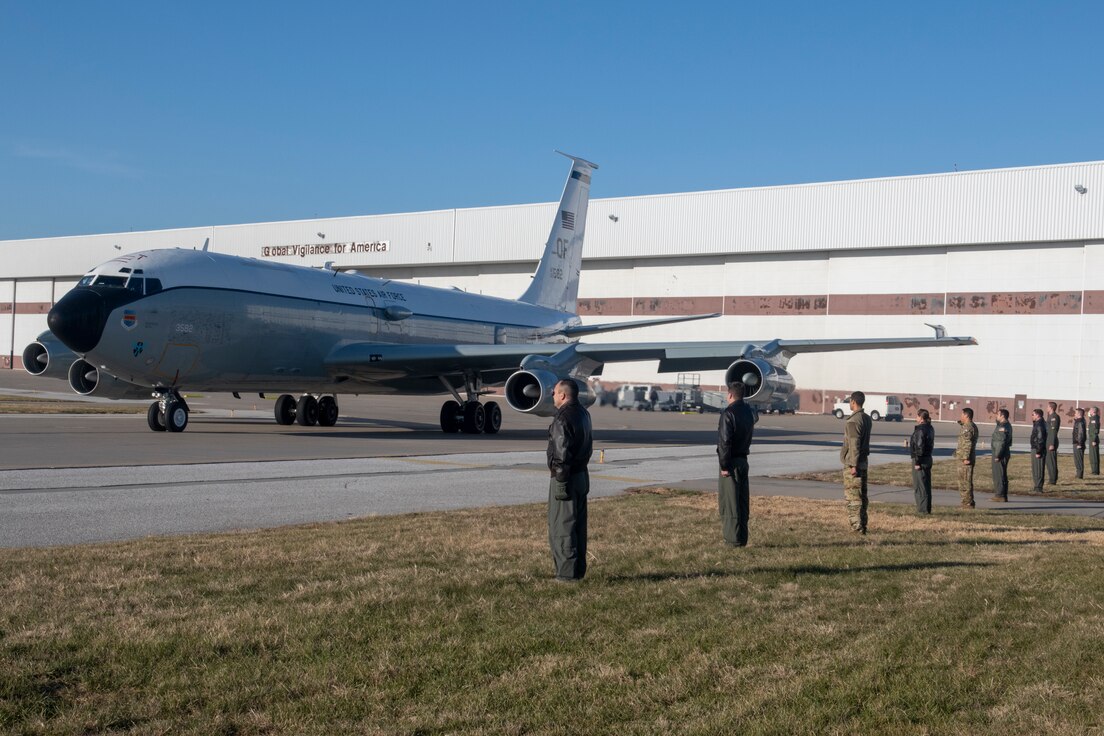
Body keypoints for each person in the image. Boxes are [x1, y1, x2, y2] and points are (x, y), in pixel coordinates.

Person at [546, 378, 593, 582]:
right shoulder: (584, 413)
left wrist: (561, 482)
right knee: (578, 527)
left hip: (566, 477)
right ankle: (578, 570)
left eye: (555, 392)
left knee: (562, 526)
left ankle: (566, 575)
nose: (553, 395)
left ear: (563, 395)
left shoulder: (562, 419)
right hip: (582, 475)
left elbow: (561, 455)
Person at [717, 381, 756, 546]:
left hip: (731, 462)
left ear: (730, 395)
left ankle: (732, 540)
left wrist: (724, 466)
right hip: (743, 460)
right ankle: (742, 537)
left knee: (729, 502)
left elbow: (725, 442)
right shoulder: (749, 412)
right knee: (741, 502)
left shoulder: (728, 414)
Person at [839, 391, 873, 534]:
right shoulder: (866, 418)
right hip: (863, 461)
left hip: (855, 463)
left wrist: (853, 465)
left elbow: (854, 443)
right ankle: (863, 525)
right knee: (862, 495)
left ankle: (856, 526)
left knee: (853, 496)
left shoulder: (853, 420)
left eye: (850, 401)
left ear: (853, 402)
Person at [909, 409, 935, 514]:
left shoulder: (920, 430)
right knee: (926, 484)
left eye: (917, 416)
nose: (916, 418)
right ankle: (927, 507)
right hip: (928, 458)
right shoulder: (930, 428)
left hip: (920, 459)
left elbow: (919, 447)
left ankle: (922, 509)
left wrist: (917, 462)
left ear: (921, 418)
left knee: (920, 485)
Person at [955, 407, 979, 508]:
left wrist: (966, 458)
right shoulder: (969, 426)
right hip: (965, 457)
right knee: (965, 480)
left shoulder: (967, 428)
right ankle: (968, 501)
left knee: (965, 481)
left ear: (966, 415)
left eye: (962, 414)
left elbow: (967, 443)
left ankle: (967, 502)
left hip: (965, 459)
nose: (961, 416)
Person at [991, 408, 1012, 502]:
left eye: (998, 414)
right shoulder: (1007, 425)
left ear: (1002, 416)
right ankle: (1003, 494)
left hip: (1000, 453)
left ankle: (999, 495)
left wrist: (997, 455)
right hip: (1004, 452)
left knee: (998, 474)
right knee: (1002, 474)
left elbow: (1000, 442)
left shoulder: (1002, 427)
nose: (996, 416)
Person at [1030, 409, 1047, 493]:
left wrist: (1038, 451)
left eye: (1033, 414)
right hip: (1035, 448)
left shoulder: (1040, 425)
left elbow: (1040, 439)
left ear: (1038, 415)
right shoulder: (1037, 423)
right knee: (1035, 469)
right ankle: (1036, 486)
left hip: (1038, 449)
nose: (1032, 416)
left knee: (1038, 469)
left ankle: (1038, 487)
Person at [1045, 401, 1061, 485]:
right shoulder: (1050, 416)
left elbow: (1053, 431)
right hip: (1048, 440)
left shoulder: (1054, 417)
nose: (1046, 408)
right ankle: (1052, 478)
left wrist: (1051, 443)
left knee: (1051, 461)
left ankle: (1052, 480)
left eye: (1047, 407)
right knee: (1049, 461)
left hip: (1052, 441)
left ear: (1051, 408)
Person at [1072, 408, 1087, 480]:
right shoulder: (1078, 421)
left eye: (1075, 413)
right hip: (1077, 442)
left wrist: (1079, 443)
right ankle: (1078, 473)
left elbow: (1080, 433)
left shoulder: (1080, 422)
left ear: (1079, 414)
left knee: (1079, 459)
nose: (1074, 414)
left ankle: (1079, 475)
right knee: (1077, 459)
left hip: (1078, 443)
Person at [1089, 406, 1101, 476]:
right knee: (1092, 455)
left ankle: (1095, 471)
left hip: (1094, 439)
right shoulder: (1093, 418)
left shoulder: (1094, 418)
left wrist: (1093, 440)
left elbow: (1095, 430)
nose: (1089, 411)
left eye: (1090, 410)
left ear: (1093, 411)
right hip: (1092, 438)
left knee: (1094, 455)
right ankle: (1094, 470)